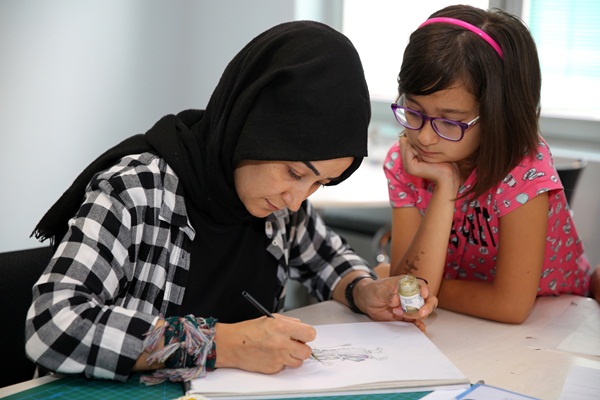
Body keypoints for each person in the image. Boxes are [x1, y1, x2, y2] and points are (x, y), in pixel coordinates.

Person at [25, 21, 436, 384]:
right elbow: (53, 325)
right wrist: (221, 343)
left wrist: (364, 290)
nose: (296, 201)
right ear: (253, 128)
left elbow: (328, 259)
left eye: (320, 183)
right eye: (295, 173)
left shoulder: (278, 204)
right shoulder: (136, 190)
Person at [384, 5, 595, 324]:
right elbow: (407, 295)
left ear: (497, 115)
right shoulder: (409, 160)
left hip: (555, 321)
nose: (425, 137)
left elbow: (510, 307)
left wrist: (422, 285)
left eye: (449, 121)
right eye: (414, 111)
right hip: (463, 322)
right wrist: (445, 186)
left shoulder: (523, 169)